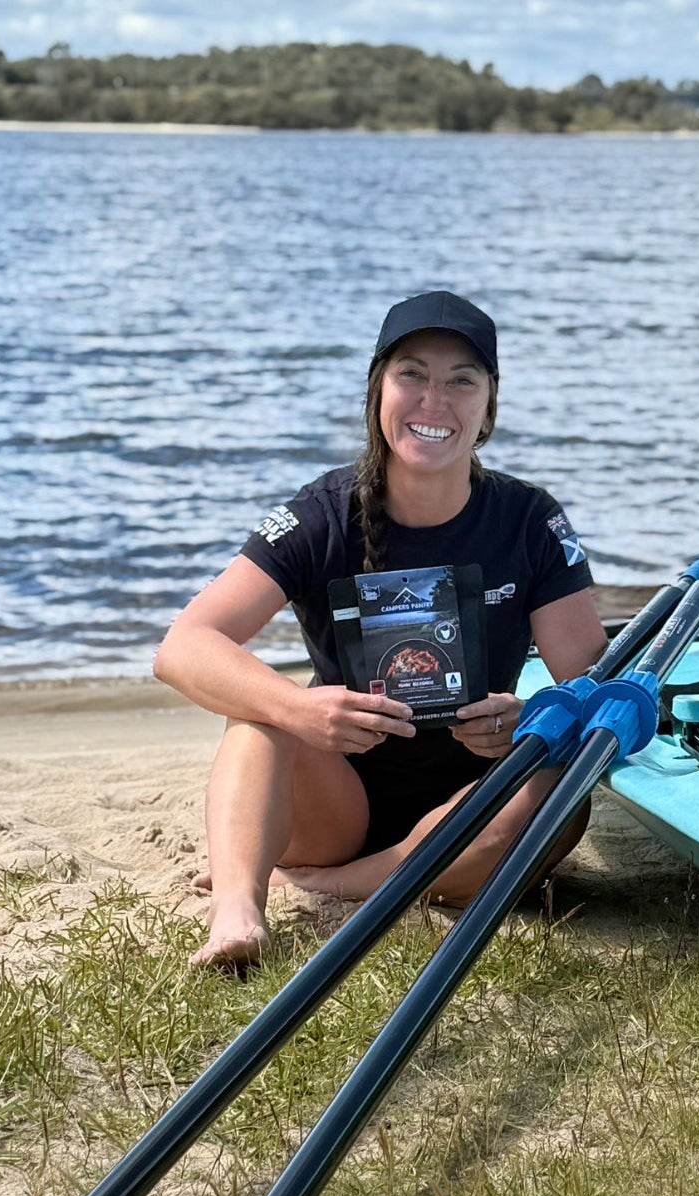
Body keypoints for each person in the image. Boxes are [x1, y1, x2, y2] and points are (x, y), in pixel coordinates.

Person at [153, 291, 607, 967]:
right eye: (412, 375)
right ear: (377, 391)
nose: (435, 400)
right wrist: (299, 708)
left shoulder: (529, 519)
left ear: (489, 407)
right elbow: (183, 647)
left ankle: (340, 888)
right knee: (255, 715)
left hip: (473, 801)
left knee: (562, 791)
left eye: (462, 381)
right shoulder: (322, 513)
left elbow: (594, 686)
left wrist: (530, 716)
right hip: (334, 806)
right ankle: (237, 914)